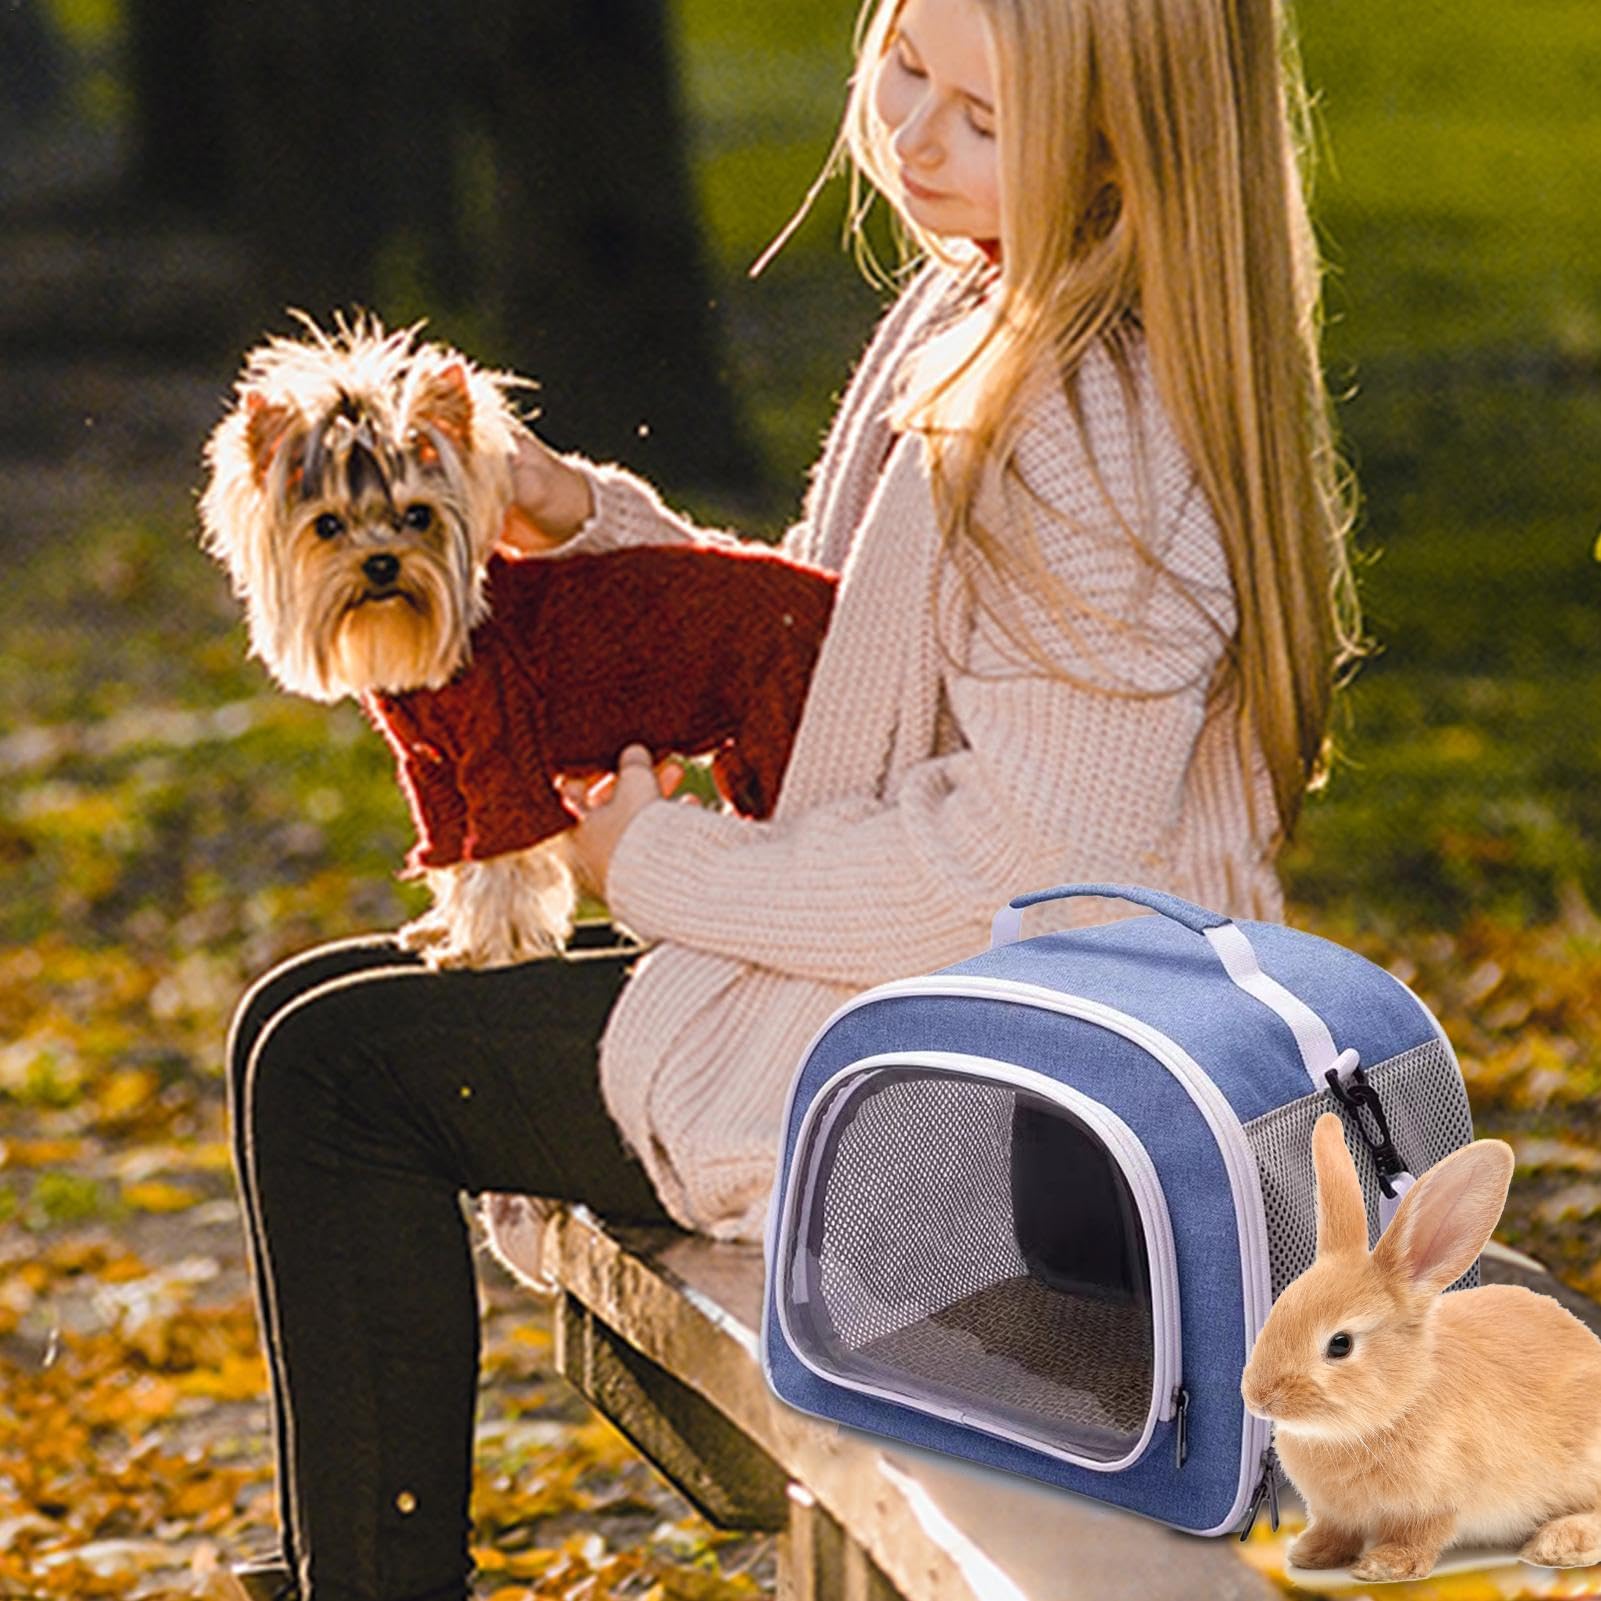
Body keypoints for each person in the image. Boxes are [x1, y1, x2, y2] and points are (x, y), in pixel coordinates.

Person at [222, 0, 1364, 1594]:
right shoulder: (988, 304)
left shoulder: (1095, 428)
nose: (911, 137)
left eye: (979, 116)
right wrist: (590, 524)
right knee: (304, 1013)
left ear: (1124, 144)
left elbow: (1024, 860)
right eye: (903, 71)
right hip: (938, 999)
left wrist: (655, 863)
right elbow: (843, 678)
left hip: (1025, 1095)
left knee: (341, 1075)